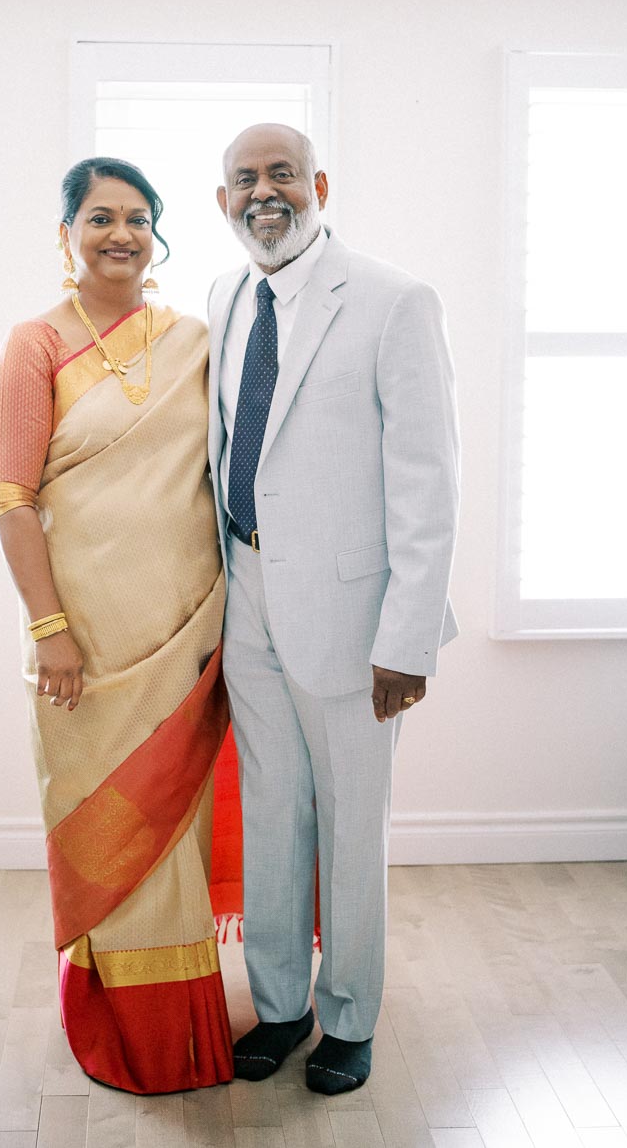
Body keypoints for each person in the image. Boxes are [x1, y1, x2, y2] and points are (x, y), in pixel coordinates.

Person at [207, 124, 460, 1095]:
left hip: (357, 618)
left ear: (317, 185)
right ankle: (281, 1007)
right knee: (273, 812)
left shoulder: (394, 301)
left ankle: (350, 1015)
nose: (263, 193)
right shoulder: (226, 296)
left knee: (355, 820)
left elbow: (429, 482)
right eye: (243, 180)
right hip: (249, 595)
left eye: (280, 175)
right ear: (222, 200)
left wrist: (408, 638)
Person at [0, 157, 233, 1095]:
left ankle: (184, 1028)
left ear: (157, 233)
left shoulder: (197, 340)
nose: (120, 233)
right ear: (67, 234)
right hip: (82, 635)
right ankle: (116, 1026)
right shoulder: (34, 344)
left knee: (177, 828)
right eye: (99, 218)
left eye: (137, 218)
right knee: (104, 826)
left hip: (184, 627)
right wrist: (50, 629)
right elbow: (11, 501)